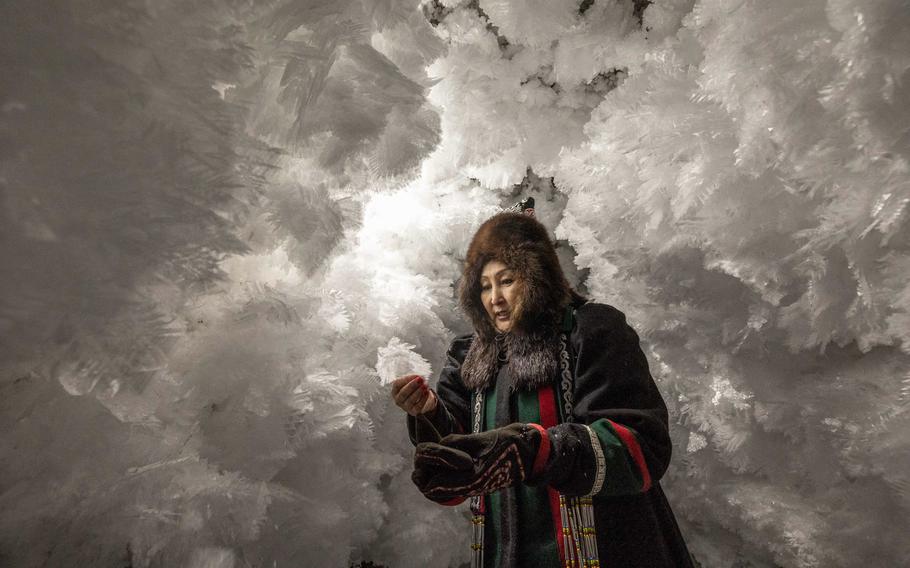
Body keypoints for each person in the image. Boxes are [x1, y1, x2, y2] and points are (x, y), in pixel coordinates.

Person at [391, 209, 693, 567]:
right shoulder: (468, 355)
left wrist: (535, 451)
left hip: (609, 551)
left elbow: (641, 447)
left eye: (506, 280)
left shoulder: (592, 330)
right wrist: (427, 412)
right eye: (484, 286)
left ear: (537, 278)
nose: (494, 298)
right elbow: (460, 446)